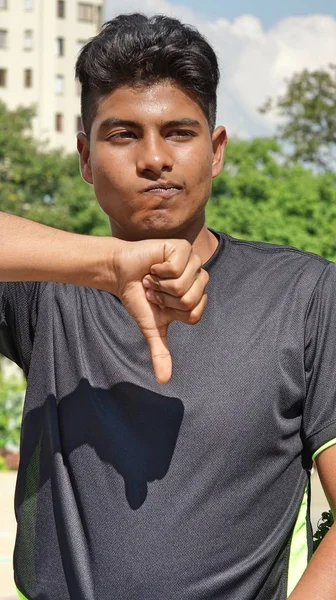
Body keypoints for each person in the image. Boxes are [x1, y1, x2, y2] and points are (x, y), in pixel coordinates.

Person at [1, 12, 336, 600]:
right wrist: (105, 265)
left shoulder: (305, 295)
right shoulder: (47, 293)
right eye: (122, 134)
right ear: (84, 157)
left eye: (179, 132)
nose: (154, 158)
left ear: (217, 150)